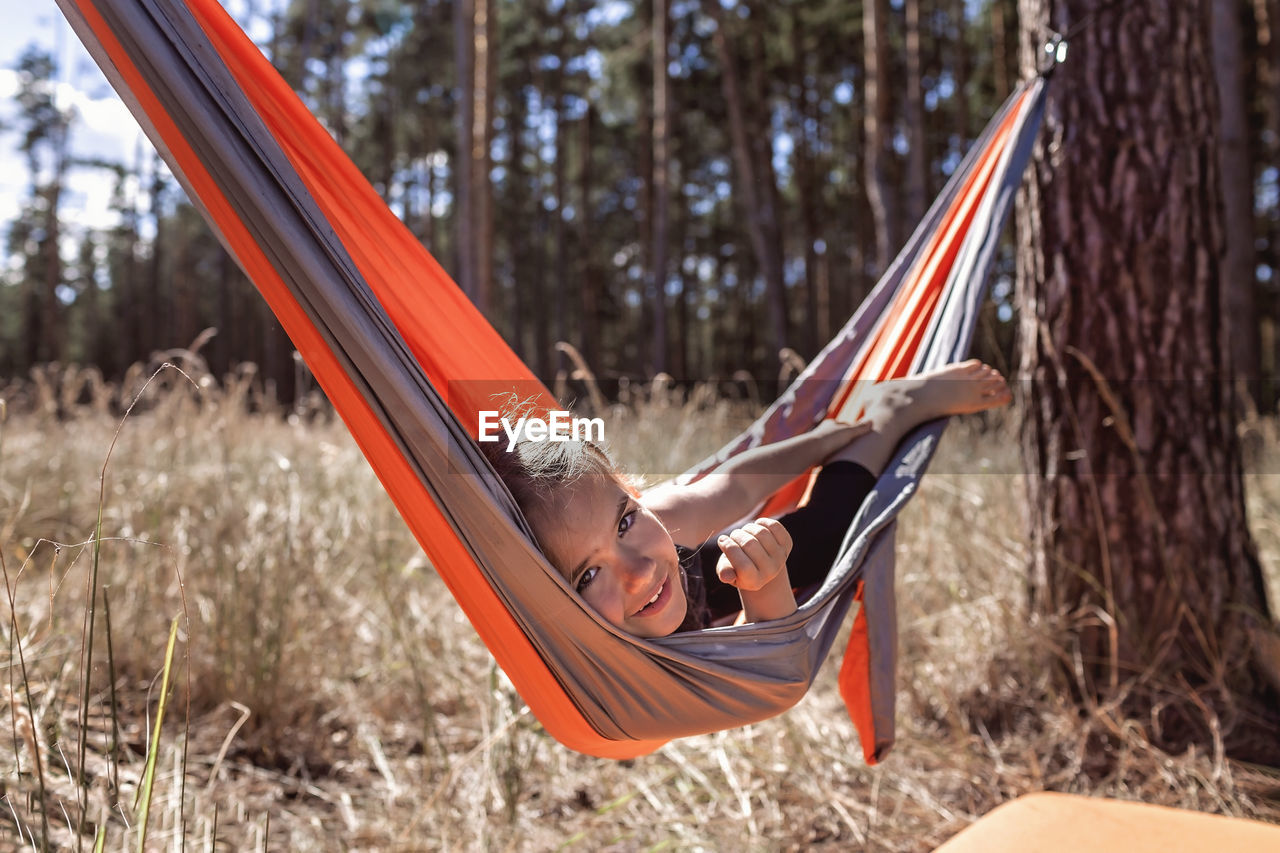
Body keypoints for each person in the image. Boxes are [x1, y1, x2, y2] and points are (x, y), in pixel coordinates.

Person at [481, 360, 1011, 638]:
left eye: (623, 524)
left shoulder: (654, 524)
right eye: (586, 575)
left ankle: (887, 412)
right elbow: (749, 684)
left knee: (826, 539)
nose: (636, 570)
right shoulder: (578, 649)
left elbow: (737, 485)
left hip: (705, 580)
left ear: (632, 493)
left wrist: (830, 438)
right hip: (664, 614)